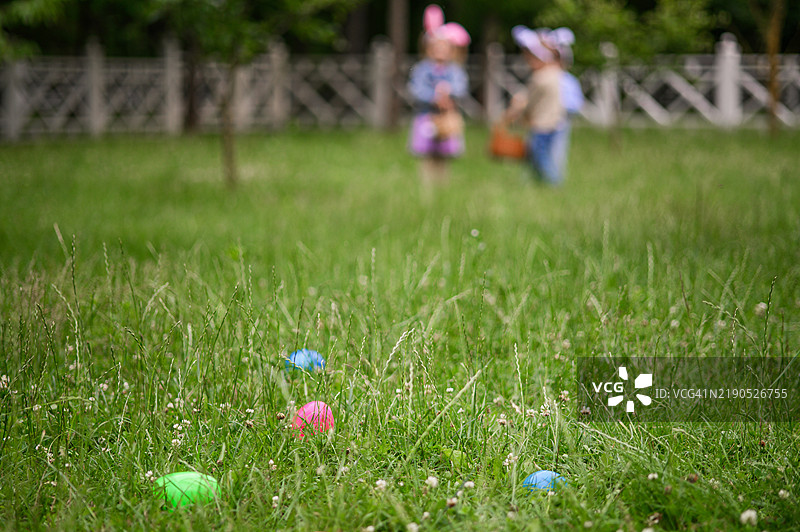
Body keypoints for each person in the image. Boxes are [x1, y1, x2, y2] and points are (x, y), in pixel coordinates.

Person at [407, 5, 470, 186]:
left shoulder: (455, 71)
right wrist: (432, 96)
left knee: (444, 154)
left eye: (444, 48)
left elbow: (461, 88)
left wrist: (449, 93)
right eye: (436, 48)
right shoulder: (421, 69)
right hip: (426, 116)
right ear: (428, 49)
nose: (440, 52)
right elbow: (415, 89)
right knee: (426, 154)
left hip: (447, 117)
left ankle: (443, 185)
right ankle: (427, 186)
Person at [503, 25, 568, 185]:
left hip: (541, 124)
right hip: (555, 123)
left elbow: (529, 103)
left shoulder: (540, 78)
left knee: (540, 157)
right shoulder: (556, 75)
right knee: (546, 154)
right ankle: (540, 183)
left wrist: (516, 111)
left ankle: (553, 183)